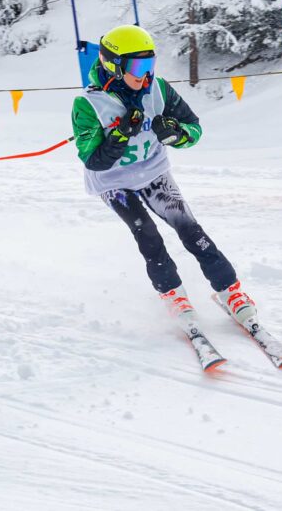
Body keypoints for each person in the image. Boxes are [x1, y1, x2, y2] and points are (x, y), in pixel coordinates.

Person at [70, 24, 257, 327]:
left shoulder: (158, 88)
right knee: (147, 233)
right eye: (137, 66)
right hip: (114, 183)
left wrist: (175, 135)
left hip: (154, 172)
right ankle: (173, 295)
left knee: (190, 229)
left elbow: (194, 128)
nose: (145, 74)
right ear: (113, 65)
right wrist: (118, 137)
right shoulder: (89, 104)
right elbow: (93, 161)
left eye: (150, 64)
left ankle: (230, 290)